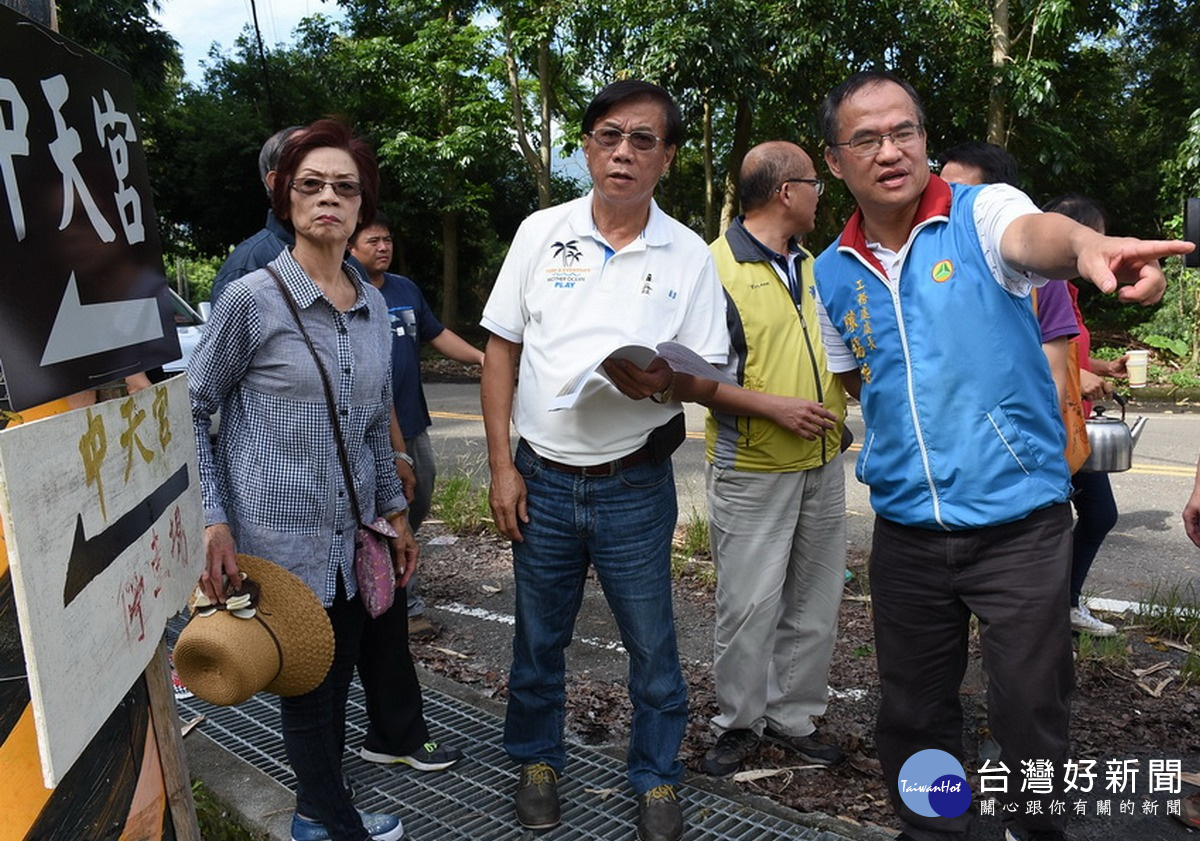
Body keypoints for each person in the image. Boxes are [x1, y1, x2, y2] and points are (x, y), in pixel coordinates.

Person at [812, 70, 1189, 841]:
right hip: (908, 535)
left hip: (1020, 528)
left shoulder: (981, 213)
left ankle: (1030, 830)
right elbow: (859, 375)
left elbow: (1037, 236)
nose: (891, 150)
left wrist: (1086, 245)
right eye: (867, 139)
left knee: (1029, 706)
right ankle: (936, 828)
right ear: (834, 161)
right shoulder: (831, 271)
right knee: (914, 714)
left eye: (905, 132)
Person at [480, 80, 727, 841]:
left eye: (644, 139)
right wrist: (500, 467)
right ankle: (536, 760)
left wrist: (664, 382)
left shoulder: (687, 253)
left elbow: (705, 370)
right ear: (586, 146)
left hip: (632, 484)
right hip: (542, 479)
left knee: (653, 645)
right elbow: (500, 349)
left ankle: (656, 777)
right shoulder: (539, 233)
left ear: (668, 157)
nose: (624, 151)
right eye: (610, 135)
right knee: (537, 638)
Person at [189, 118, 415, 841]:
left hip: (351, 535)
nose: (328, 198)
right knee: (308, 688)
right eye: (310, 184)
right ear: (285, 198)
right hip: (273, 537)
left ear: (361, 206)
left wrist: (394, 512)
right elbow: (193, 408)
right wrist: (212, 518)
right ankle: (333, 822)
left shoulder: (375, 304)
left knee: (331, 671)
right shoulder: (251, 298)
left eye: (344, 188)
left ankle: (318, 810)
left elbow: (377, 416)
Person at [697, 141, 849, 778]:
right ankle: (737, 723)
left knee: (814, 604)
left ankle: (793, 719)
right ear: (787, 191)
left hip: (822, 463)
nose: (822, 194)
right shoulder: (714, 268)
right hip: (752, 465)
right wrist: (774, 408)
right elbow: (689, 378)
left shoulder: (818, 265)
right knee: (750, 606)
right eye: (816, 182)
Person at [348, 214, 485, 644]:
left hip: (413, 422)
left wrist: (483, 360)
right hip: (371, 432)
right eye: (373, 240)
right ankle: (405, 605)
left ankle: (390, 575)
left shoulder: (405, 289)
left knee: (418, 501)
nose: (383, 247)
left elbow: (438, 334)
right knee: (392, 511)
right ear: (352, 247)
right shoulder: (347, 291)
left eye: (388, 239)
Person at [1042, 194, 1131, 637]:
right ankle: (1050, 610)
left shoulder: (1068, 289)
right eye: (1094, 235)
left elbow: (1066, 346)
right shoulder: (1038, 283)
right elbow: (1025, 352)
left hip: (1074, 424)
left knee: (1097, 514)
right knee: (1080, 517)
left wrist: (1098, 368)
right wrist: (1078, 375)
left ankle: (1062, 605)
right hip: (1051, 428)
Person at [209, 126, 301, 305]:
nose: (328, 193)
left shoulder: (351, 268)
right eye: (311, 181)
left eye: (344, 184)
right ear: (276, 182)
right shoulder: (246, 267)